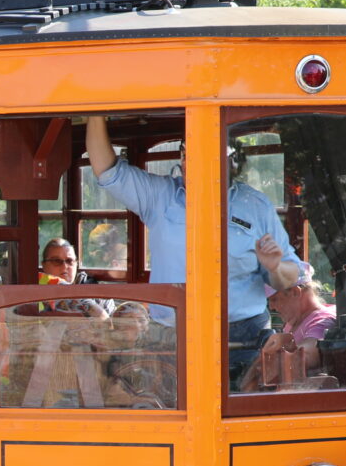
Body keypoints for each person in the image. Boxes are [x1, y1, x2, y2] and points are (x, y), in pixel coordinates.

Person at [84, 115, 307, 383]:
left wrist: (274, 266)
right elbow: (106, 170)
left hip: (243, 338)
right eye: (185, 154)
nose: (189, 162)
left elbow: (290, 276)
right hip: (173, 333)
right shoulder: (161, 196)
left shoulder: (255, 205)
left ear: (228, 163)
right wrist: (96, 112)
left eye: (201, 153)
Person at [36, 237, 111, 316]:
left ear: (76, 264)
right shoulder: (35, 289)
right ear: (44, 265)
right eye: (56, 261)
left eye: (69, 261)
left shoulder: (96, 291)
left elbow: (108, 322)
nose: (64, 266)